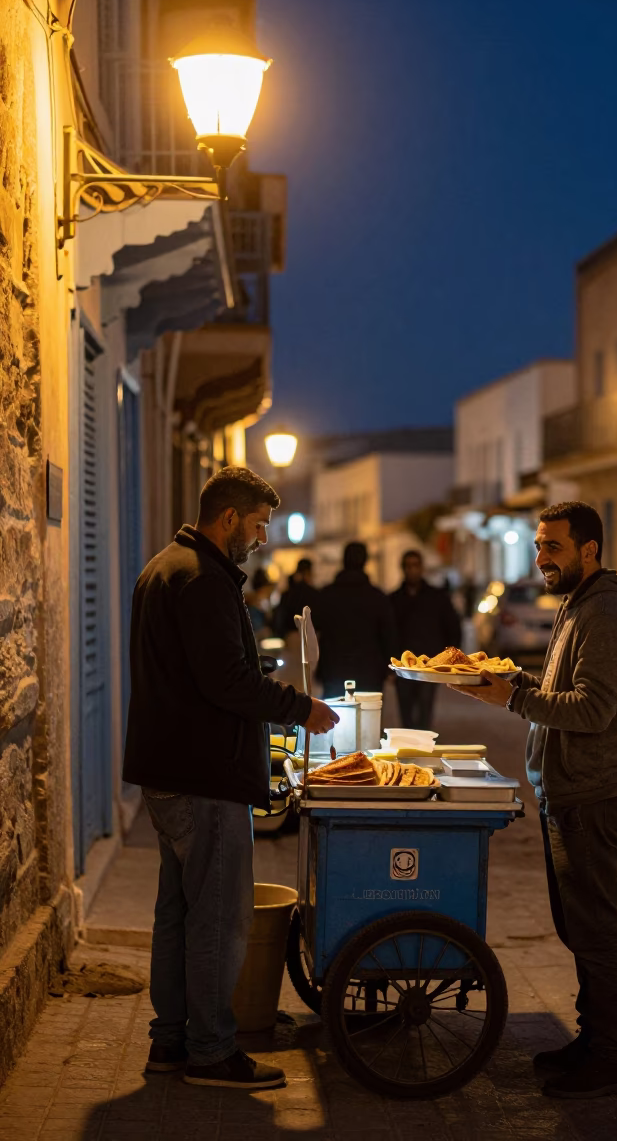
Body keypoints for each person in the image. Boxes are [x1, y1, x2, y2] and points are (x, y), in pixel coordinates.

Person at [123, 466, 339, 1090]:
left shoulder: (166, 566)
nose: (263, 538)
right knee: (217, 917)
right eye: (258, 525)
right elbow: (223, 684)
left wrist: (250, 663)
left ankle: (169, 1043)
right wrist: (300, 707)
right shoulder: (204, 581)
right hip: (203, 775)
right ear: (228, 519)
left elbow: (199, 667)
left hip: (168, 770)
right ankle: (212, 1052)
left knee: (178, 912)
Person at [449, 501, 617, 1100]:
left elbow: (591, 709)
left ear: (589, 549)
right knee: (578, 927)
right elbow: (564, 691)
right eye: (539, 546)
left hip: (592, 793)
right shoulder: (577, 605)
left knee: (596, 929)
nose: (541, 558)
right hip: (567, 791)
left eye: (553, 547)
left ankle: (611, 1058)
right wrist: (513, 686)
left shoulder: (606, 612)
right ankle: (593, 1042)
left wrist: (514, 700)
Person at [314, 541, 398, 698]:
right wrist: (390, 669)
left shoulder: (326, 595)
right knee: (367, 718)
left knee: (334, 719)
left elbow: (315, 628)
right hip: (370, 673)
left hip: (333, 670)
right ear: (365, 562)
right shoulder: (377, 597)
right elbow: (388, 635)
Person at [390, 550, 462, 729]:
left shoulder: (437, 597)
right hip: (403, 666)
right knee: (405, 712)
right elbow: (388, 633)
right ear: (403, 568)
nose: (412, 570)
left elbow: (452, 627)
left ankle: (422, 746)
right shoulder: (393, 599)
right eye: (408, 566)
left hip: (430, 664)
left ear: (422, 568)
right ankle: (408, 747)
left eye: (416, 565)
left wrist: (449, 659)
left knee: (425, 710)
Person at [273, 558, 317, 638]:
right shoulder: (313, 593)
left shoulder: (288, 594)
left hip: (291, 636)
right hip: (310, 634)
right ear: (308, 572)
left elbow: (281, 616)